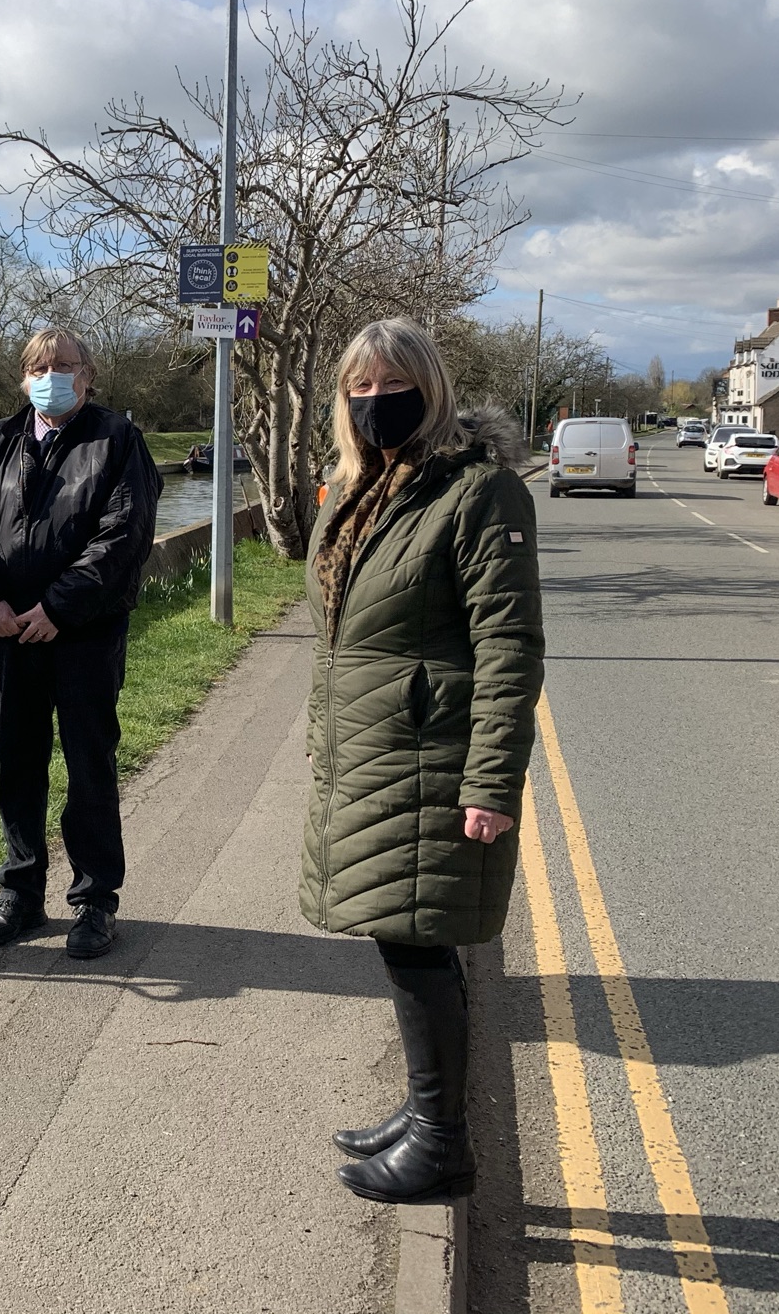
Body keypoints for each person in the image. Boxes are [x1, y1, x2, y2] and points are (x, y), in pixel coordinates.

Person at [301, 316, 543, 1203]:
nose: (374, 402)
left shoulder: (478, 491)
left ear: (430, 388)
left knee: (416, 945)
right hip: (371, 755)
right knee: (406, 940)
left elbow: (510, 646)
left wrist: (490, 782)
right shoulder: (361, 486)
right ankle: (425, 1109)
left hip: (430, 760)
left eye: (392, 384)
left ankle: (442, 1143)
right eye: (358, 389)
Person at [0, 328, 163, 959]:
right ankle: (21, 892)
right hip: (9, 633)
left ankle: (95, 901)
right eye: (41, 366)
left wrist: (60, 607)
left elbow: (126, 535)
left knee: (90, 762)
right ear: (24, 375)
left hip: (84, 633)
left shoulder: (118, 439)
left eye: (66, 365)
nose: (53, 375)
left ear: (89, 376)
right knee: (17, 761)